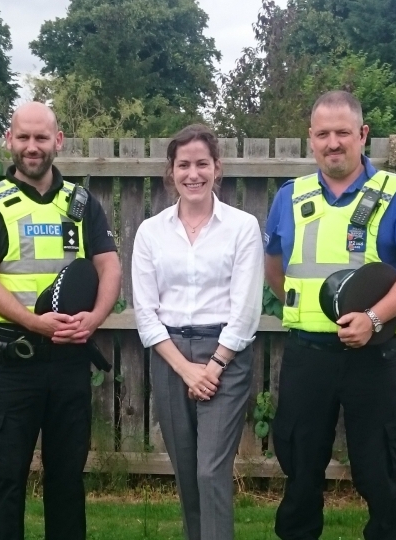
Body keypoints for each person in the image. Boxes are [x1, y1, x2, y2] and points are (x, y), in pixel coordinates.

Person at [264, 90, 396, 540]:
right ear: (310, 138)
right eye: (323, 134)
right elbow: (275, 270)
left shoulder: (395, 194)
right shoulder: (290, 196)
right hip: (307, 357)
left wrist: (375, 319)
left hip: (371, 358)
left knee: (378, 473)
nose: (333, 142)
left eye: (343, 132)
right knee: (300, 472)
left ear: (362, 134)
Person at [0, 101, 121, 540]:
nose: (33, 147)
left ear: (58, 141)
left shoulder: (82, 203)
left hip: (69, 360)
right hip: (15, 361)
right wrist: (36, 323)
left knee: (67, 479)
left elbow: (110, 267)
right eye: (24, 137)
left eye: (42, 138)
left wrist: (95, 318)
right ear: (9, 140)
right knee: (8, 478)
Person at [131, 124, 264, 540]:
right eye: (183, 164)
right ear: (171, 171)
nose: (193, 173)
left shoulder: (242, 227)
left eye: (201, 164)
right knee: (187, 473)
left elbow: (245, 309)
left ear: (217, 168)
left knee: (210, 470)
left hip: (225, 357)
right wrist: (187, 369)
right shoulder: (151, 232)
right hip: (170, 357)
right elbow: (146, 313)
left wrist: (213, 366)